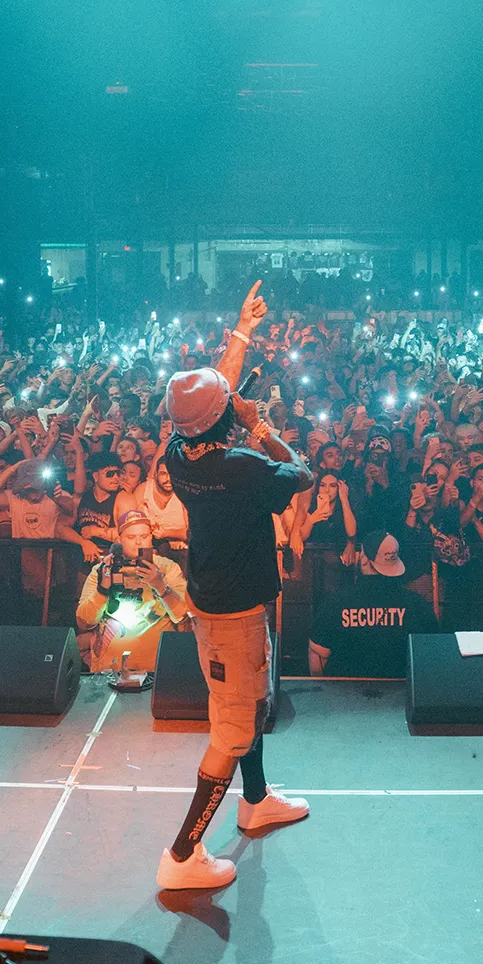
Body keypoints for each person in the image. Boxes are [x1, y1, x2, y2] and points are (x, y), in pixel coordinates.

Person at [157, 280, 315, 892]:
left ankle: (255, 802)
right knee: (232, 729)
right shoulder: (245, 464)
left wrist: (241, 331)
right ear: (225, 415)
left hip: (211, 600)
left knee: (242, 704)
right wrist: (262, 426)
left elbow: (209, 396)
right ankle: (181, 855)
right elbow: (302, 475)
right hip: (236, 617)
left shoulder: (178, 450)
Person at [75, 510, 190, 673]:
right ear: (119, 539)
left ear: (151, 537)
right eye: (131, 537)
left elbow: (184, 616)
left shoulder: (167, 568)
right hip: (110, 668)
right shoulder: (102, 570)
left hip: (157, 668)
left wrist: (160, 586)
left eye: (144, 536)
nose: (138, 542)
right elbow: (84, 622)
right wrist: (102, 590)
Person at [309, 529, 437, 676]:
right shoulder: (417, 605)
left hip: (344, 695)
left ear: (364, 559)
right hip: (403, 695)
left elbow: (317, 660)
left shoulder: (335, 603)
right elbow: (432, 657)